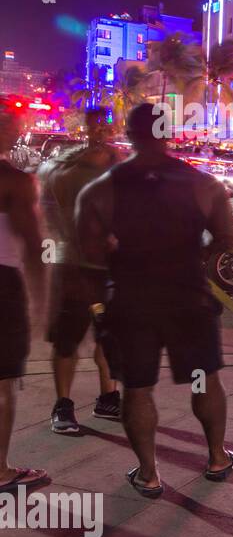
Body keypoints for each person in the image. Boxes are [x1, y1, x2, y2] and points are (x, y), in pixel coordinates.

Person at [75, 103, 233, 498]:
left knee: (137, 387)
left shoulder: (100, 190)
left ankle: (148, 474)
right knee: (204, 380)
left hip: (133, 302)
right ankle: (216, 457)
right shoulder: (203, 184)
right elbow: (227, 239)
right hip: (189, 300)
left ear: (129, 134)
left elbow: (89, 257)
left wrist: (101, 302)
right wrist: (194, 256)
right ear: (168, 134)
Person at [37, 107, 121, 434]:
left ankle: (109, 397)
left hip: (108, 269)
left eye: (106, 125)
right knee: (67, 337)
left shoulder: (123, 168)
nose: (101, 130)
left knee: (108, 336)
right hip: (73, 265)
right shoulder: (67, 166)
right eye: (95, 125)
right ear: (85, 128)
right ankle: (63, 405)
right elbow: (47, 205)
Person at [0, 108, 49, 492]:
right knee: (3, 383)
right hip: (2, 284)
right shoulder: (15, 182)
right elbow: (34, 247)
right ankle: (0, 472)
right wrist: (40, 300)